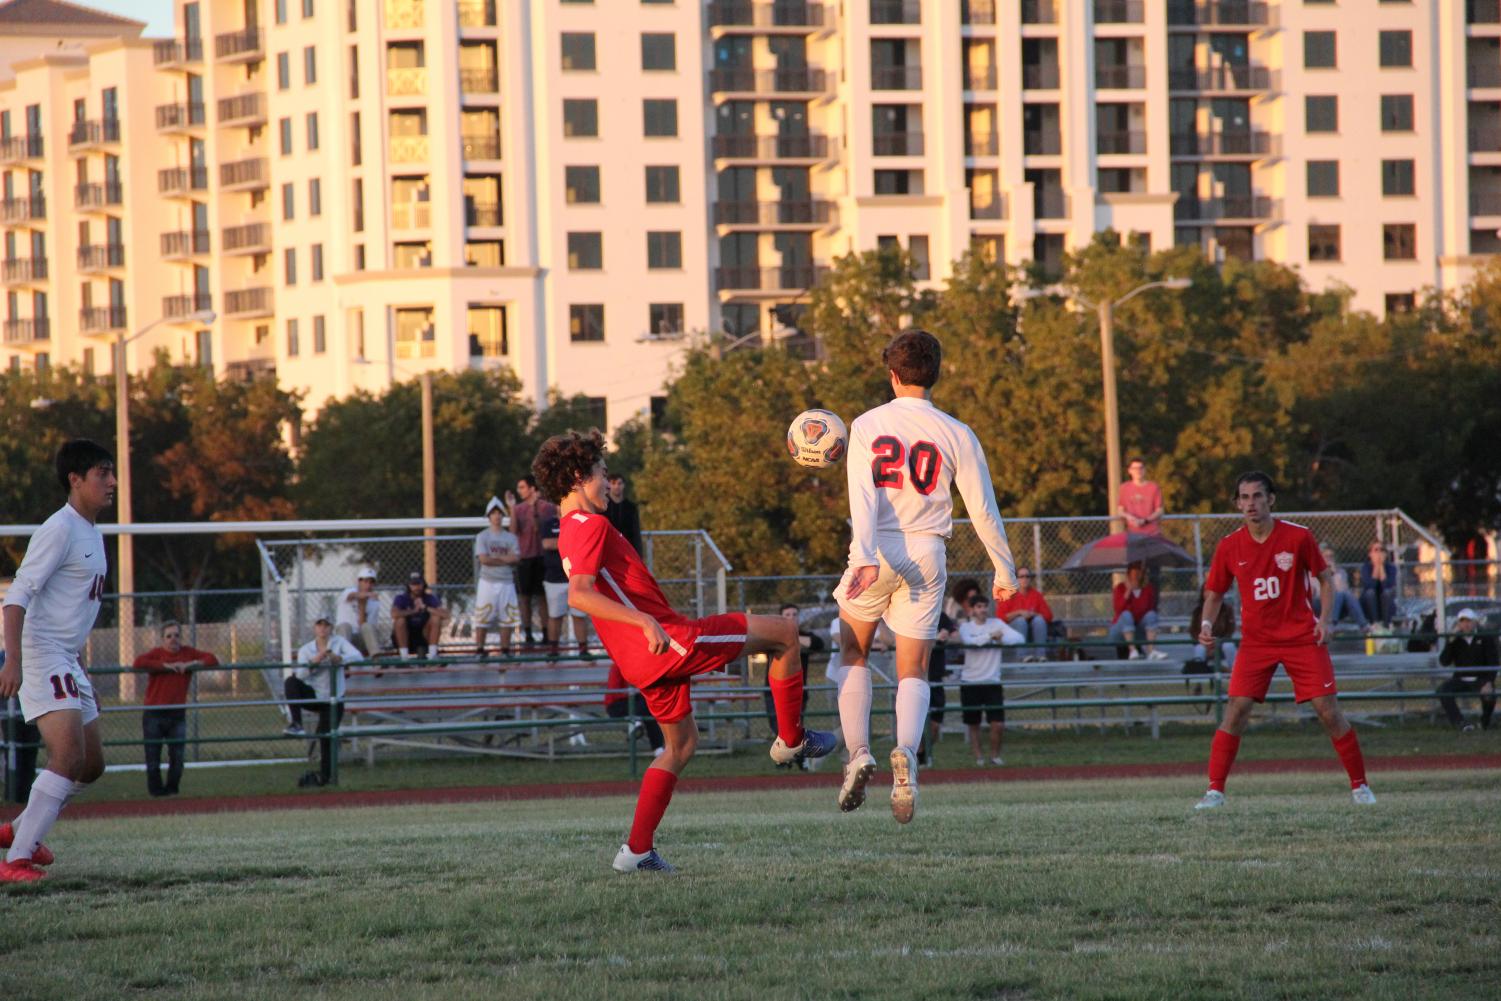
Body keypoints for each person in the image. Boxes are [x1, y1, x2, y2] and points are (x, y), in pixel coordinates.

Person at [536, 429, 835, 873]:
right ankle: (790, 740)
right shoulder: (590, 525)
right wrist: (644, 619)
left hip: (644, 660)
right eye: (601, 473)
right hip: (669, 642)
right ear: (579, 477)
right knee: (787, 634)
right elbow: (578, 595)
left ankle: (636, 851)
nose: (607, 484)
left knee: (680, 746)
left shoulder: (571, 529)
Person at [834, 328, 1018, 825]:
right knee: (913, 668)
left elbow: (863, 498)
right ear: (935, 374)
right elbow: (983, 510)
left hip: (878, 548)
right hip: (929, 551)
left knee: (852, 651)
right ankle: (908, 756)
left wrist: (866, 554)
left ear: (892, 375)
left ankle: (857, 754)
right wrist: (1005, 569)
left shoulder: (868, 424)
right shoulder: (957, 431)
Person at [1193, 471, 1375, 809]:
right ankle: (1214, 792)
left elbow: (1324, 579)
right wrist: (1206, 623)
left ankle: (1360, 787)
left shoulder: (1298, 537)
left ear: (1271, 499)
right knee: (1236, 709)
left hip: (1301, 637)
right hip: (1257, 642)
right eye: (1244, 498)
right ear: (1237, 503)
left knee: (1328, 711)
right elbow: (1215, 592)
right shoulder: (1229, 545)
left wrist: (1324, 621)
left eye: (1257, 496)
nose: (1251, 503)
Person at [0, 439, 115, 882]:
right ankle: (16, 860)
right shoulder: (60, 528)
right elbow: (17, 596)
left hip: (66, 656)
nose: (112, 482)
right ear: (76, 479)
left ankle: (21, 829)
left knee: (91, 765)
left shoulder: (90, 530)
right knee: (66, 755)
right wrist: (13, 660)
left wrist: (79, 663)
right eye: (103, 473)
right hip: (42, 652)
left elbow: (70, 607)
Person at [131, 620, 219, 797]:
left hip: (177, 713)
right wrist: (165, 667)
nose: (173, 639)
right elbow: (138, 663)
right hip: (154, 712)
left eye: (176, 635)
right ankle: (156, 792)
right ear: (162, 639)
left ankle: (172, 790)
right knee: (153, 756)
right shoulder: (157, 654)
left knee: (177, 757)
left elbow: (212, 659)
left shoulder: (187, 653)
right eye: (169, 636)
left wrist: (190, 664)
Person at [287, 616, 360, 787]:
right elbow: (301, 675)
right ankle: (296, 723)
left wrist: (340, 659)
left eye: (326, 625)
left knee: (325, 737)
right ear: (314, 628)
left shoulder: (339, 642)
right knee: (290, 681)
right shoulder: (306, 649)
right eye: (319, 624)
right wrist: (315, 661)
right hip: (314, 694)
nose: (322, 628)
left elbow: (358, 657)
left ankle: (325, 778)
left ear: (331, 627)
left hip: (334, 699)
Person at [956, 594, 1023, 766]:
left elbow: (1018, 639)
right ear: (971, 610)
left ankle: (994, 756)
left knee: (998, 724)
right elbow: (971, 642)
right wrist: (990, 636)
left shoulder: (997, 624)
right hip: (970, 682)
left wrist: (1001, 638)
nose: (983, 610)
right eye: (978, 606)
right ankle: (979, 758)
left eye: (985, 606)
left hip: (992, 681)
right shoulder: (965, 627)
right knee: (974, 724)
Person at [760, 604, 824, 740]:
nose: (791, 618)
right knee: (777, 727)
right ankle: (785, 760)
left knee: (794, 729)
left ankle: (799, 759)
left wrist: (792, 637)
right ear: (780, 618)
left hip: (797, 689)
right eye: (787, 615)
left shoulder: (804, 635)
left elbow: (818, 644)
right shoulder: (773, 636)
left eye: (795, 615)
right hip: (773, 689)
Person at [507, 475, 557, 646]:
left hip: (542, 557)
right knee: (524, 597)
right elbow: (513, 531)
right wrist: (512, 509)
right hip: (525, 558)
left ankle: (545, 633)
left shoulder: (546, 507)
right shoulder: (518, 509)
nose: (520, 491)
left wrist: (535, 507)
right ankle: (528, 634)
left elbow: (539, 528)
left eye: (522, 487)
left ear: (531, 488)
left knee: (543, 597)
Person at [1436, 608, 1497, 732]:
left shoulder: (1485, 637)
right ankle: (1460, 722)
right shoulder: (1455, 640)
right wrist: (1450, 642)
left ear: (1474, 622)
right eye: (1462, 621)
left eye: (1469, 621)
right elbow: (1444, 661)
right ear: (1458, 624)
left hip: (1481, 679)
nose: (1466, 624)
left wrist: (1489, 682)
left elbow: (1493, 662)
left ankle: (1484, 722)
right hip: (1460, 678)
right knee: (1443, 691)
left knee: (1489, 695)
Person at [473, 497, 520, 656]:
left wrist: (494, 560)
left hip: (506, 582)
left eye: (499, 513)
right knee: (482, 617)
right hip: (487, 581)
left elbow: (516, 558)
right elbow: (483, 559)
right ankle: (480, 649)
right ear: (489, 516)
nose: (497, 516)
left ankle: (505, 650)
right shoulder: (482, 536)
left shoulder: (510, 537)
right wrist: (504, 559)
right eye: (493, 513)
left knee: (507, 618)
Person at [541, 508, 590, 655]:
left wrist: (560, 542)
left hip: (576, 577)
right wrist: (570, 541)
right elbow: (547, 544)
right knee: (555, 616)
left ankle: (583, 649)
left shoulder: (578, 520)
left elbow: (584, 544)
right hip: (554, 578)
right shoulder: (549, 523)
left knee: (579, 615)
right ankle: (554, 649)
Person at [916, 608, 955, 768]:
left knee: (935, 724)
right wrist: (934, 639)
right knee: (915, 722)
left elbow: (957, 636)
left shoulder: (941, 616)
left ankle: (924, 753)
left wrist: (945, 638)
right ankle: (915, 755)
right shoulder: (913, 615)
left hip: (936, 678)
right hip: (917, 677)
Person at [1107, 561, 1167, 660]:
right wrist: (1128, 591)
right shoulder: (1120, 588)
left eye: (1139, 573)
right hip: (1120, 629)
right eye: (1134, 573)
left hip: (1137, 628)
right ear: (1128, 574)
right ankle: (1132, 650)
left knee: (1152, 615)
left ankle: (1151, 651)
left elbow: (1148, 610)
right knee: (1126, 615)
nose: (1137, 576)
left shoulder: (1147, 589)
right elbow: (1118, 610)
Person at [604, 661, 664, 756]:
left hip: (635, 704)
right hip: (616, 706)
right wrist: (632, 693)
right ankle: (658, 749)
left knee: (649, 708)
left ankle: (637, 724)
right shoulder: (617, 666)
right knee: (646, 706)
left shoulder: (638, 666)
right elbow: (614, 692)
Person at [995, 567, 1054, 661]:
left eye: (1027, 576)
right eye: (1021, 576)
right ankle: (1022, 657)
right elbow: (1000, 617)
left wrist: (1033, 614)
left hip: (1032, 627)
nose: (1025, 579)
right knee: (1020, 621)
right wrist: (1019, 613)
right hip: (1013, 628)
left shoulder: (1036, 595)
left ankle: (1041, 656)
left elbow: (1049, 616)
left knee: (1039, 620)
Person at [391, 571, 449, 659]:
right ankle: (404, 658)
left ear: (423, 584)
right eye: (413, 584)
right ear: (408, 586)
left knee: (436, 618)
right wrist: (414, 611)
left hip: (424, 636)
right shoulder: (401, 598)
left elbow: (445, 615)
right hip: (406, 636)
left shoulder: (430, 598)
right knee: (400, 620)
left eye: (419, 584)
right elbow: (394, 614)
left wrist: (425, 607)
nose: (417, 587)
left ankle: (432, 656)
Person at [1315, 543, 1368, 631]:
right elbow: (1318, 593)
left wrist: (1332, 574)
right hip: (1320, 605)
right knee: (1338, 595)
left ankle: (1364, 625)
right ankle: (1330, 624)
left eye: (1331, 556)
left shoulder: (1341, 573)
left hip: (1337, 605)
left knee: (1344, 594)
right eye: (1326, 556)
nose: (1329, 559)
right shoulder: (1314, 573)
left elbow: (1343, 592)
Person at [335, 567, 383, 656]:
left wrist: (362, 606)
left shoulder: (374, 603)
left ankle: (377, 658)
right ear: (359, 582)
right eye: (365, 581)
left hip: (362, 640)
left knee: (367, 626)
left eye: (371, 582)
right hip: (346, 636)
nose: (368, 585)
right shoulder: (349, 591)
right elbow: (350, 596)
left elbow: (365, 627)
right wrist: (365, 595)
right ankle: (342, 659)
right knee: (345, 626)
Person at [1118, 457, 1164, 535]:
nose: (1138, 471)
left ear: (1144, 470)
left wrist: (1145, 521)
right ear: (1130, 471)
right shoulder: (1124, 488)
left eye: (1140, 468)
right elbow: (1120, 510)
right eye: (1135, 468)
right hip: (1132, 533)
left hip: (1152, 533)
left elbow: (1159, 510)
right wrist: (1130, 517)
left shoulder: (1154, 487)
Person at [1360, 541, 1397, 627]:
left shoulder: (1391, 568)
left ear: (1386, 554)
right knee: (1370, 593)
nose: (1379, 553)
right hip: (1369, 605)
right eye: (1376, 550)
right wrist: (1376, 566)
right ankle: (1375, 624)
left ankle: (1386, 625)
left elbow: (1387, 586)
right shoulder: (1366, 568)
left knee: (1387, 592)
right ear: (1370, 554)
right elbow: (1370, 585)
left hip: (1386, 605)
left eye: (1382, 550)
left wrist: (1381, 567)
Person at [605, 473, 643, 555]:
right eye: (613, 483)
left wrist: (639, 554)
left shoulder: (631, 508)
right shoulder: (603, 507)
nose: (616, 486)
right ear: (609, 485)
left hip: (627, 550)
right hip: (608, 550)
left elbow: (636, 532)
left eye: (619, 483)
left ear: (624, 485)